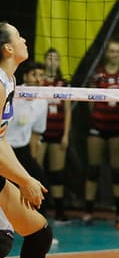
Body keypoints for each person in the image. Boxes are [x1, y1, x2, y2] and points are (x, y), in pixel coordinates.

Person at [0, 22, 68, 258]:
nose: (25, 38)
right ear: (8, 48)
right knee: (3, 240)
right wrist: (24, 179)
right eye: (19, 36)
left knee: (39, 233)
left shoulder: (9, 80)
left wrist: (23, 177)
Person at [84, 37, 119, 225]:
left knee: (117, 170)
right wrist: (98, 115)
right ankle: (88, 212)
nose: (114, 54)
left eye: (117, 51)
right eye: (111, 50)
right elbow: (88, 99)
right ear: (106, 53)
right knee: (93, 169)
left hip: (117, 127)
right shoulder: (98, 75)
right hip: (98, 126)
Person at [6, 61, 49, 213]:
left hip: (22, 150)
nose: (38, 79)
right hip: (4, 148)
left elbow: (36, 133)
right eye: (34, 75)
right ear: (25, 77)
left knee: (40, 182)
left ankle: (40, 230)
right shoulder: (11, 94)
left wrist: (34, 159)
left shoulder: (43, 101)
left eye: (41, 76)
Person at [41, 48, 71, 223]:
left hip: (58, 133)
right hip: (40, 133)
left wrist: (66, 135)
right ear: (45, 61)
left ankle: (59, 211)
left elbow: (68, 110)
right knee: (36, 170)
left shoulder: (63, 83)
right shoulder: (39, 80)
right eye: (50, 58)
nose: (53, 61)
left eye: (56, 59)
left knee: (57, 173)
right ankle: (37, 209)